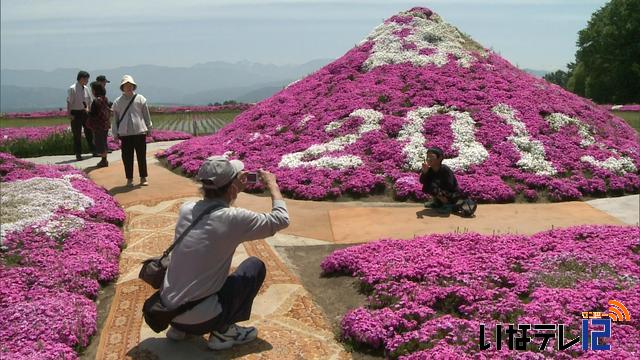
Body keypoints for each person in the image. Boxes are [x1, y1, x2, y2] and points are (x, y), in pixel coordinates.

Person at [160, 156, 290, 351]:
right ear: (231, 187)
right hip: (202, 317)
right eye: (237, 177)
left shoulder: (186, 208)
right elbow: (281, 219)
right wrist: (272, 184)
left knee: (192, 271)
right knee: (254, 266)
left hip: (167, 311)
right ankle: (224, 332)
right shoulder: (233, 219)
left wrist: (233, 189)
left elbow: (216, 212)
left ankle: (180, 329)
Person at [111, 75, 152, 187]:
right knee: (127, 157)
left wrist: (149, 128)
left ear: (134, 86)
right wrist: (114, 133)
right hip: (125, 134)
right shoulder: (117, 102)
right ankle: (129, 178)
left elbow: (146, 115)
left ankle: (143, 177)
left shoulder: (141, 99)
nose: (129, 87)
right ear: (122, 87)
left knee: (141, 156)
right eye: (126, 85)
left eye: (130, 85)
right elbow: (115, 119)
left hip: (139, 132)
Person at [419, 147, 460, 214]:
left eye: (431, 157)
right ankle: (438, 202)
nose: (428, 159)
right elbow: (422, 182)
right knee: (428, 185)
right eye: (427, 157)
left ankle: (448, 205)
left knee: (432, 185)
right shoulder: (430, 170)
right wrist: (424, 172)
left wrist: (436, 185)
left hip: (452, 195)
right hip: (441, 193)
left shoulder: (445, 169)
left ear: (440, 158)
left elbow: (450, 185)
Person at [67, 70, 96, 160]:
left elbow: (90, 101)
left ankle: (94, 151)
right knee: (77, 134)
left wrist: (90, 112)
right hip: (75, 113)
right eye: (86, 79)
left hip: (85, 113)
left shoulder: (86, 88)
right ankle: (78, 153)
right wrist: (69, 114)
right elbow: (69, 102)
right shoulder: (73, 88)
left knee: (89, 132)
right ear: (81, 78)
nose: (87, 81)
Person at [87, 82, 111, 167]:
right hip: (106, 124)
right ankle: (104, 160)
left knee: (99, 142)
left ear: (95, 90)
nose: (92, 91)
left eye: (92, 89)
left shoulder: (96, 101)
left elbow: (93, 114)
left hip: (98, 125)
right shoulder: (105, 99)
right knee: (104, 141)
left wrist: (87, 111)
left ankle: (104, 161)